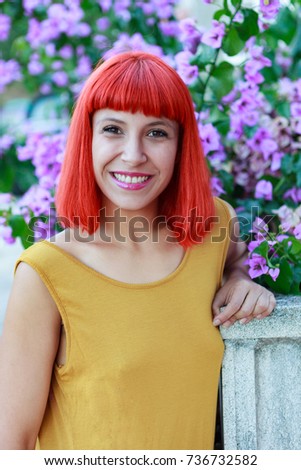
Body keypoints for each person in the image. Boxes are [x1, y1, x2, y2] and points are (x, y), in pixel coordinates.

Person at [0, 51, 276, 450]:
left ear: (181, 145)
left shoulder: (213, 226)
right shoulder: (45, 274)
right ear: (87, 138)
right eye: (113, 128)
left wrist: (240, 277)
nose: (133, 154)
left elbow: (234, 261)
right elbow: (12, 445)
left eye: (157, 132)